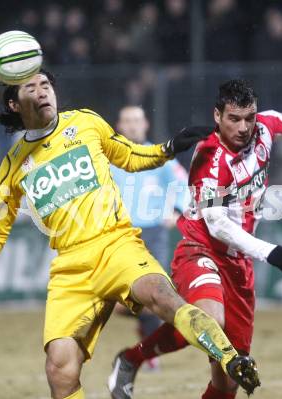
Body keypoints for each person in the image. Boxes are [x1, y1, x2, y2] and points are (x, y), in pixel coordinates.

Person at [0, 71, 261, 399]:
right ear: (14, 103)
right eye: (31, 87)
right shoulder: (14, 165)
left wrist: (167, 149)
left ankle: (232, 359)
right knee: (59, 368)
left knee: (162, 296)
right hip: (70, 268)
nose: (43, 92)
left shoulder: (84, 123)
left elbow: (128, 155)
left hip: (116, 244)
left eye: (46, 85)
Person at [109, 79, 282, 399]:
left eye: (249, 117)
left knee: (229, 377)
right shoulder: (209, 159)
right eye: (234, 119)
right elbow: (218, 227)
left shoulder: (261, 128)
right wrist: (271, 252)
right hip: (202, 249)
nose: (244, 127)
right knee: (208, 319)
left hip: (238, 262)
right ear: (217, 116)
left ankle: (135, 358)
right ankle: (132, 359)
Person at [111, 105, 189, 371]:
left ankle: (146, 352)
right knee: (114, 301)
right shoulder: (109, 159)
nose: (132, 125)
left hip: (153, 233)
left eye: (137, 120)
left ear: (145, 125)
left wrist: (177, 210)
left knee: (152, 293)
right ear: (119, 126)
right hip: (118, 234)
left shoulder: (161, 157)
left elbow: (184, 185)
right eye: (127, 120)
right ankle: (145, 338)